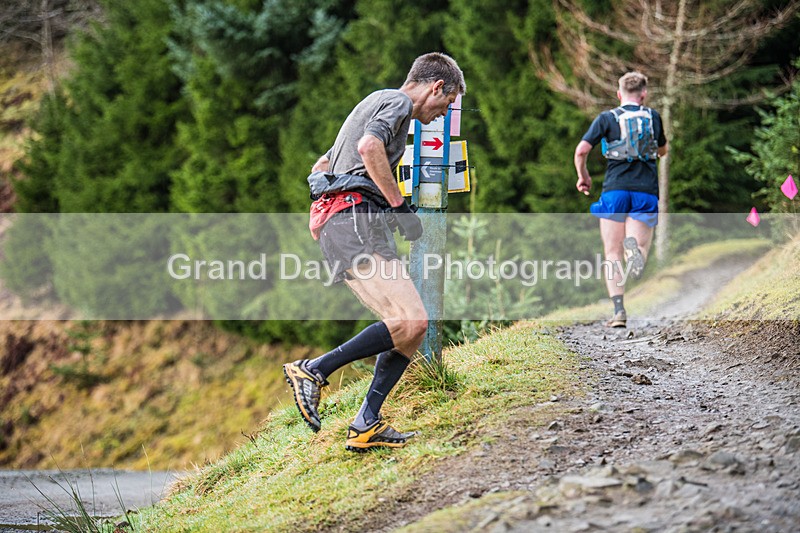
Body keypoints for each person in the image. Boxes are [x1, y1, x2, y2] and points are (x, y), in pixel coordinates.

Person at [283, 52, 466, 451]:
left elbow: (322, 164)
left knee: (406, 329)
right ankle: (314, 369)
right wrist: (398, 206)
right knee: (414, 319)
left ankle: (366, 423)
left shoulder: (370, 104)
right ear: (436, 87)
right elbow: (369, 148)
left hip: (340, 223)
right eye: (446, 104)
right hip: (353, 220)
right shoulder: (398, 101)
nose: (441, 114)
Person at [573, 71, 669, 328]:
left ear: (619, 95)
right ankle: (634, 252)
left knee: (611, 252)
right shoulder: (653, 117)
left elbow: (582, 150)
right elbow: (663, 150)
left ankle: (618, 311)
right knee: (638, 248)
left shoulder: (607, 118)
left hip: (614, 190)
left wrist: (584, 177)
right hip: (645, 191)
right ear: (644, 95)